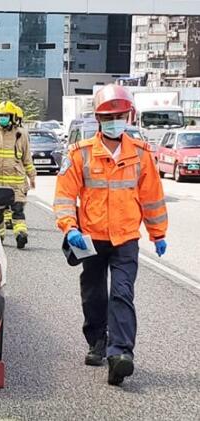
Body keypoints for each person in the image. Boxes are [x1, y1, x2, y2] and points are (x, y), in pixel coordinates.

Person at [54, 84, 168, 386]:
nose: (114, 121)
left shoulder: (141, 155)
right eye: (108, 117)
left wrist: (158, 234)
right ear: (98, 119)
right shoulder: (80, 153)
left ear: (129, 116)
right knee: (94, 293)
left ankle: (121, 355)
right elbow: (65, 195)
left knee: (122, 293)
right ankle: (97, 341)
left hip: (125, 238)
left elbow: (152, 197)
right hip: (90, 237)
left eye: (119, 116)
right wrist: (70, 226)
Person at [0, 100, 36, 248]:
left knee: (18, 209)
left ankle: (21, 234)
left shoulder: (21, 134)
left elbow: (27, 158)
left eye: (6, 116)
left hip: (16, 181)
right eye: (1, 116)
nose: (3, 119)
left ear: (12, 117)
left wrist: (32, 176)